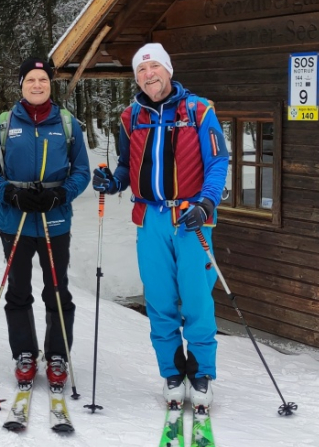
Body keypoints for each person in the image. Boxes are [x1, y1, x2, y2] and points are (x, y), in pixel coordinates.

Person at [91, 43, 228, 412]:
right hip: (150, 219)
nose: (149, 74)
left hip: (190, 218)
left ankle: (200, 373)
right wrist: (112, 182)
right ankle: (172, 372)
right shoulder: (129, 117)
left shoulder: (199, 111)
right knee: (160, 301)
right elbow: (125, 166)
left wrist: (206, 203)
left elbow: (217, 162)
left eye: (154, 67)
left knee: (197, 298)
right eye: (141, 70)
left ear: (168, 69)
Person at [0, 57, 90, 389]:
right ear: (22, 84)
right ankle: (24, 352)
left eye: (42, 79)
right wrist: (9, 193)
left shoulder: (68, 124)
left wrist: (61, 195)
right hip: (15, 220)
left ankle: (58, 355)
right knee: (18, 289)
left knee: (57, 290)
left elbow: (81, 171)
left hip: (54, 219)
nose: (37, 85)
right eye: (31, 80)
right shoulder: (3, 123)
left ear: (50, 84)